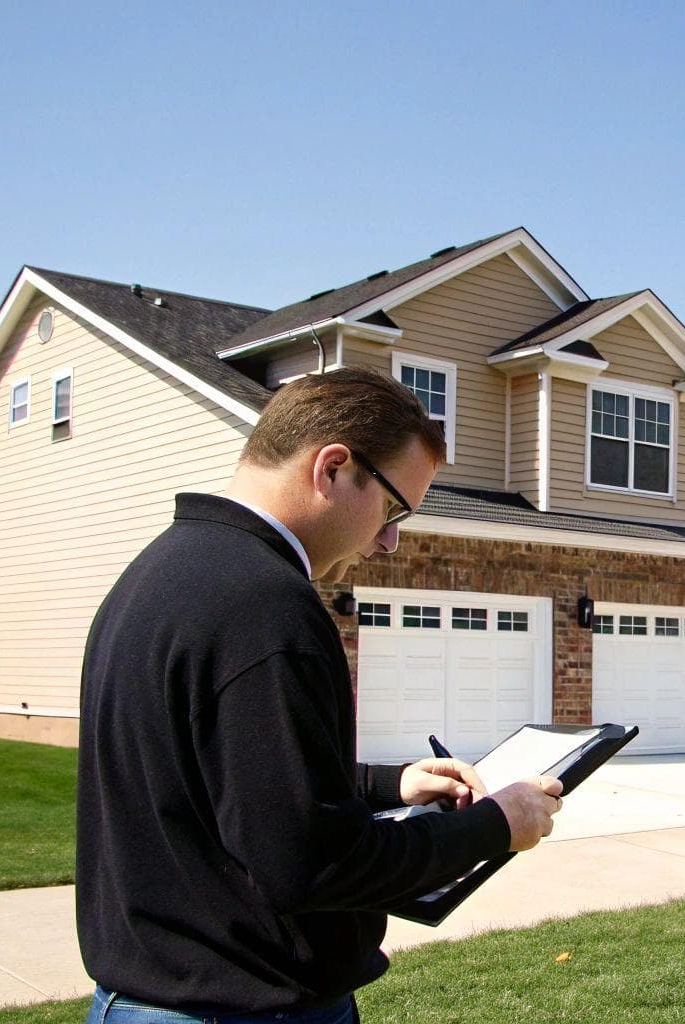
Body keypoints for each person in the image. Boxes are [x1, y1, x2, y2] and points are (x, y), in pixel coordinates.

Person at [76, 368, 564, 1024]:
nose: (390, 541)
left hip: (146, 998)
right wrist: (494, 825)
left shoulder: (158, 573)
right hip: (243, 1009)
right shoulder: (266, 605)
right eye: (393, 510)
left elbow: (232, 782)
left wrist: (389, 786)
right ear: (333, 468)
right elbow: (311, 865)